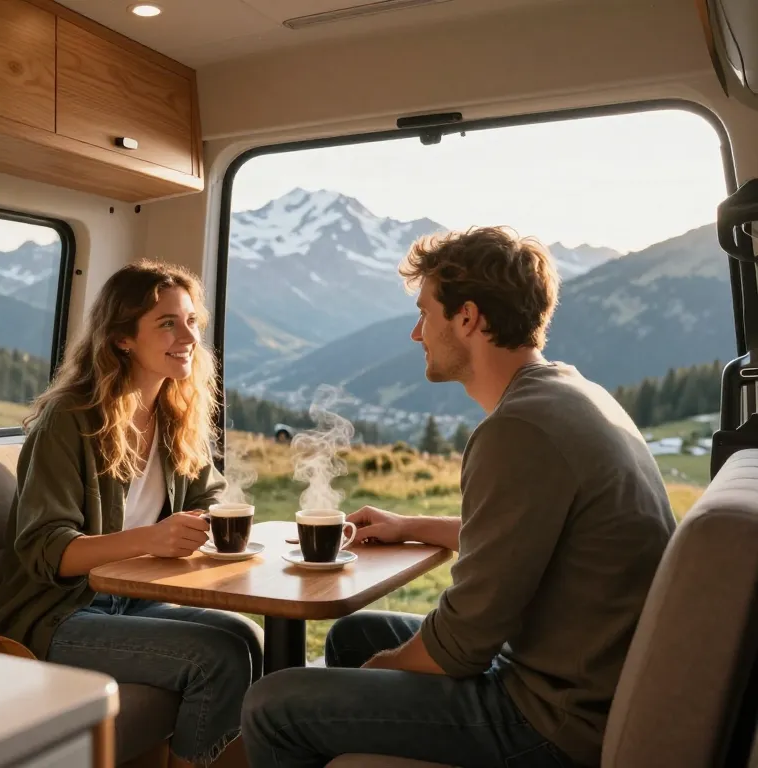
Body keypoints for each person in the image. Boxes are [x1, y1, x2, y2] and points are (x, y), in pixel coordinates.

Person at [240, 226, 676, 768]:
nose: (416, 333)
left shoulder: (520, 429)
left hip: (554, 718)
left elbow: (463, 643)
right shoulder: (568, 393)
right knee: (356, 634)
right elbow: (523, 540)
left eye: (425, 312)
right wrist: (410, 525)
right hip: (582, 682)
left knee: (272, 705)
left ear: (467, 318)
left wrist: (367, 682)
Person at [0, 260, 262, 768]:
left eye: (192, 321)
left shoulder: (175, 417)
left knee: (246, 634)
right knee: (216, 656)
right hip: (57, 615)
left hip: (131, 602)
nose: (188, 336)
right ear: (121, 339)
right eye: (167, 323)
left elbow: (209, 498)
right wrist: (152, 539)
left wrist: (206, 525)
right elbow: (47, 550)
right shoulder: (69, 421)